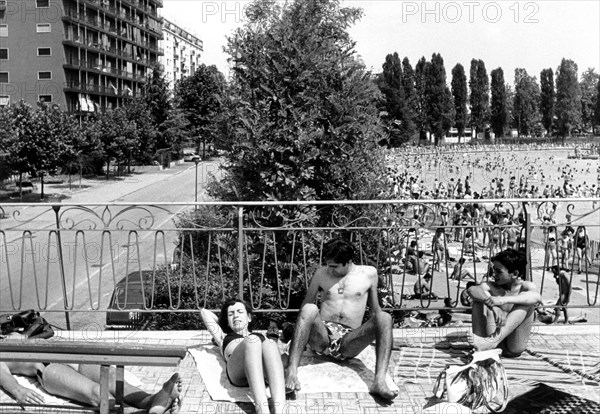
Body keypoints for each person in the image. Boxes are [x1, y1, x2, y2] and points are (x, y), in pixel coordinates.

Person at [284, 239, 397, 401]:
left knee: (385, 317)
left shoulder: (369, 274)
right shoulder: (321, 274)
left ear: (348, 262)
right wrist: (299, 336)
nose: (329, 269)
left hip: (348, 341)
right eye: (328, 265)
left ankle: (379, 381)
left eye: (334, 266)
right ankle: (292, 372)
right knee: (309, 308)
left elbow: (375, 311)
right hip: (322, 338)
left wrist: (384, 335)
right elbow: (306, 304)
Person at [0, 334, 181, 413]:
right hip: (48, 367)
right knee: (97, 395)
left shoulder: (9, 334)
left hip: (73, 358)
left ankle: (152, 401)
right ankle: (147, 410)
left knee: (113, 380)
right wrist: (19, 391)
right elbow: (4, 376)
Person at [200, 299, 285, 414]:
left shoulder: (260, 336)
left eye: (240, 312)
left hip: (262, 372)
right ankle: (262, 410)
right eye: (231, 314)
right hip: (237, 371)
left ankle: (280, 410)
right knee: (252, 340)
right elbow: (204, 312)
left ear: (249, 317)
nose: (235, 316)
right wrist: (223, 322)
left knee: (270, 343)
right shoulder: (223, 336)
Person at [467, 249, 541, 357]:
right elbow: (472, 290)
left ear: (515, 273)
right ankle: (488, 342)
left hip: (514, 346)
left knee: (526, 304)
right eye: (494, 270)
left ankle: (492, 341)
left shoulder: (525, 286)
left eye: (499, 271)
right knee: (480, 300)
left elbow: (536, 297)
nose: (494, 274)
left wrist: (501, 300)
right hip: (488, 342)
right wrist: (493, 306)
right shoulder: (492, 286)